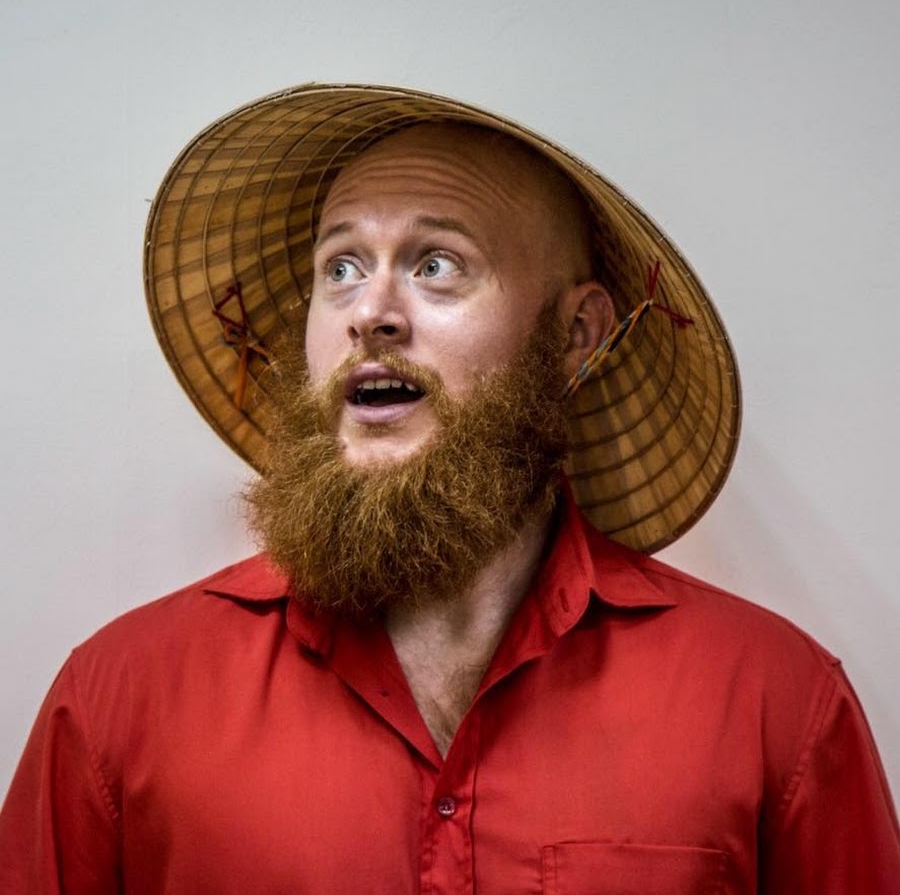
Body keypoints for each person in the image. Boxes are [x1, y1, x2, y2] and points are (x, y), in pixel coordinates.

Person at [1, 83, 897, 893]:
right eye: (341, 267)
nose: (370, 312)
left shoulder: (772, 702)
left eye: (437, 264)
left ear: (577, 334)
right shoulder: (123, 697)